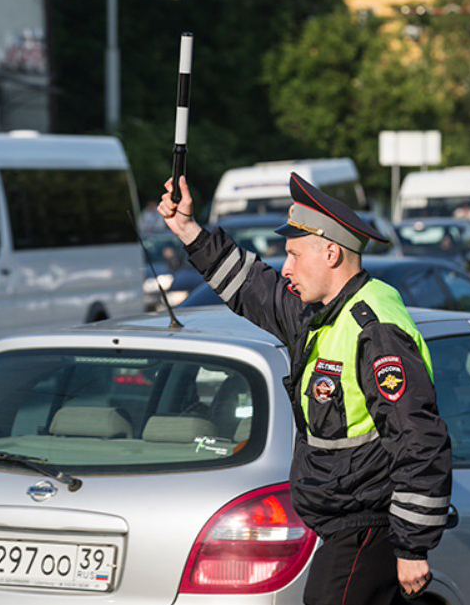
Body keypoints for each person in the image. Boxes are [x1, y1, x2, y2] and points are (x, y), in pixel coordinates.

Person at [159, 173, 451, 604]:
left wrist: (412, 546)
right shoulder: (322, 313)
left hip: (367, 525)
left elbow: (418, 437)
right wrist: (189, 230)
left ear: (331, 252)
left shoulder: (376, 330)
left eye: (294, 254)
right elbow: (252, 287)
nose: (287, 267)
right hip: (342, 524)